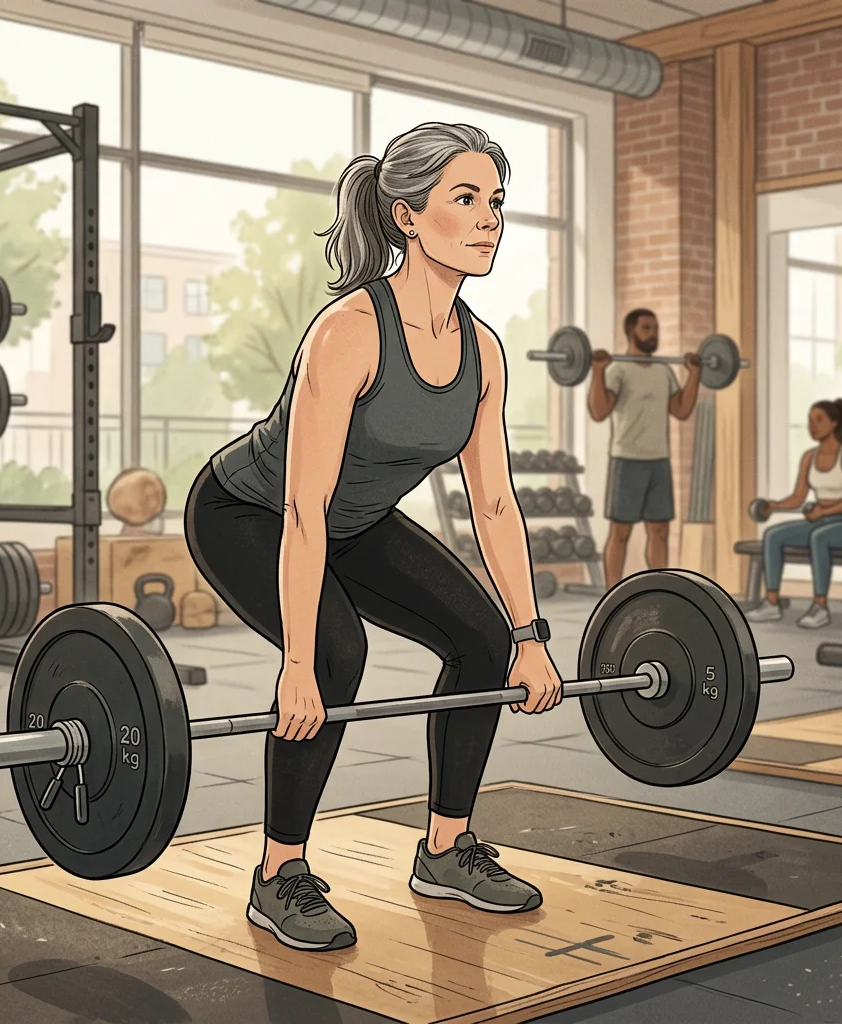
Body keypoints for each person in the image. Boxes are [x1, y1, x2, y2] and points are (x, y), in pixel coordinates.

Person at [185, 122, 563, 954]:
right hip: (249, 510)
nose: (489, 218)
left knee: (481, 639)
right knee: (334, 656)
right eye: (464, 199)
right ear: (406, 215)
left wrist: (530, 638)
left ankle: (445, 851)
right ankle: (280, 873)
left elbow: (495, 504)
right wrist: (294, 664)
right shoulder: (350, 331)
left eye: (494, 201)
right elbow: (303, 507)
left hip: (353, 523)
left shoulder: (483, 354)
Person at [587, 308, 701, 589]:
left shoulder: (664, 371)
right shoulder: (618, 369)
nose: (653, 334)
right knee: (621, 532)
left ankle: (658, 589)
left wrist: (695, 375)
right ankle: (611, 593)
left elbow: (682, 410)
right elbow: (599, 411)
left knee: (660, 531)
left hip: (658, 461)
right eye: (646, 328)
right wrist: (598, 372)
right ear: (631, 332)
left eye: (655, 328)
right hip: (627, 460)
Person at [746, 398, 842, 628]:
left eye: (819, 420)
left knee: (818, 537)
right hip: (821, 519)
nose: (812, 426)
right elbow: (798, 497)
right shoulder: (809, 457)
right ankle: (771, 603)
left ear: (834, 423)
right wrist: (772, 506)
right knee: (773, 534)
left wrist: (823, 512)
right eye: (810, 421)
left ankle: (820, 606)